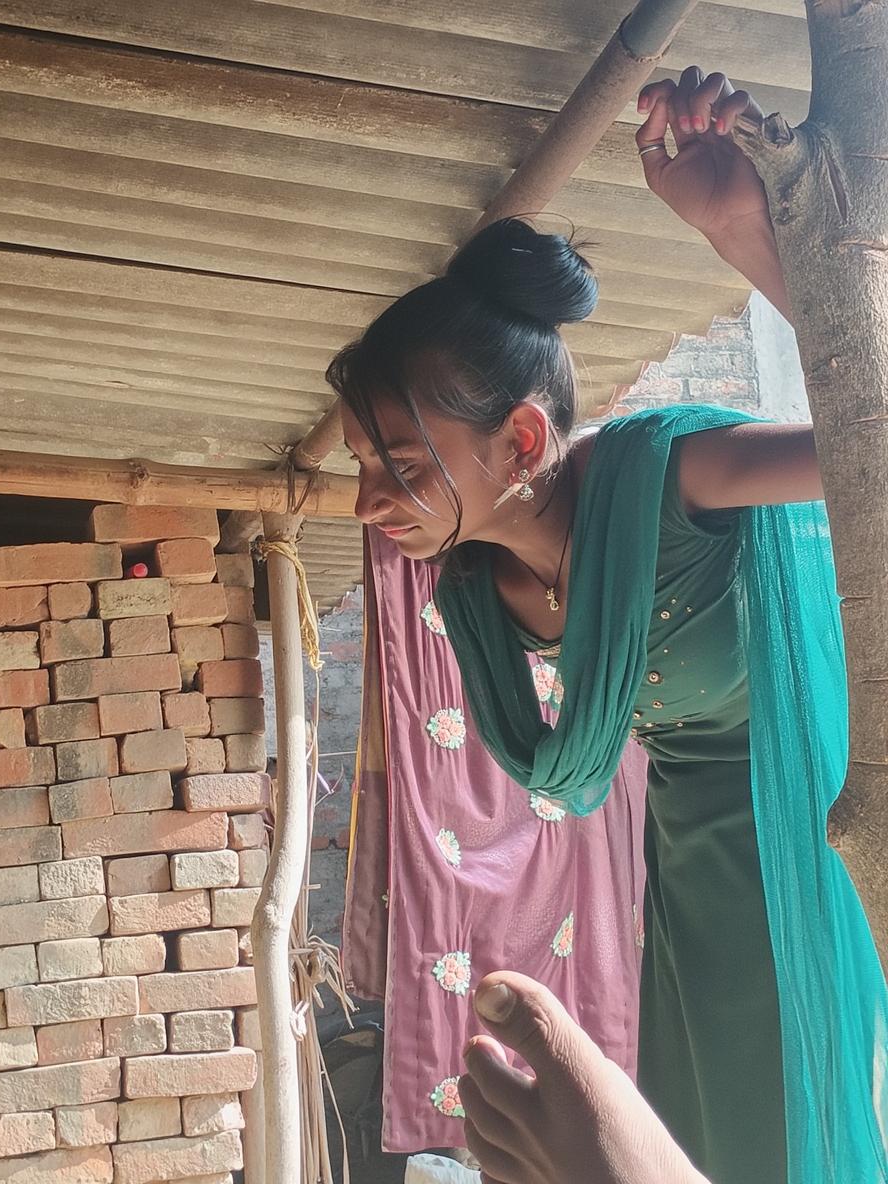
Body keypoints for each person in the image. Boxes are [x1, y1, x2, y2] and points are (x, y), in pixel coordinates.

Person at [329, 67, 888, 1184]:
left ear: (524, 445)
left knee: (805, 1116)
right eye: (360, 465)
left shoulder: (671, 473)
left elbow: (868, 424)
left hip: (815, 836)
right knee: (705, 1125)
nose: (365, 500)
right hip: (680, 880)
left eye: (396, 464)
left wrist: (740, 227)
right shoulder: (476, 592)